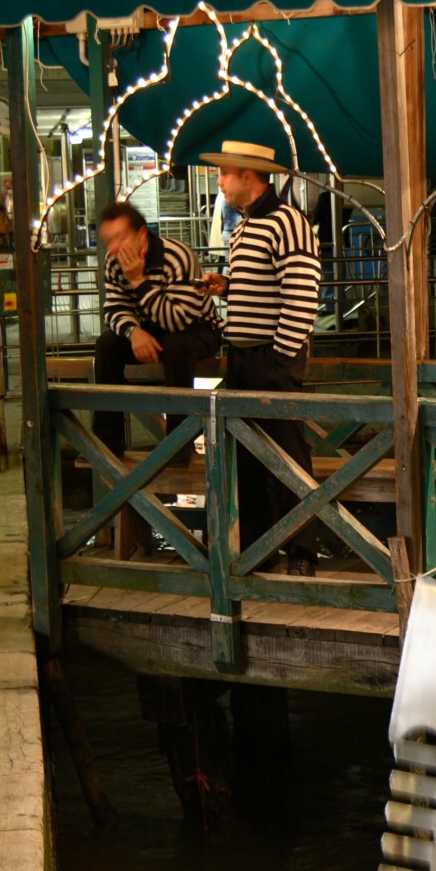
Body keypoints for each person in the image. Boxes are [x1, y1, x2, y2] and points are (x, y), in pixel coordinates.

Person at [198, 139, 321, 576]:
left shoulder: (287, 222)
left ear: (247, 176)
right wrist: (228, 286)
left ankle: (302, 551)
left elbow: (302, 294)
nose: (219, 181)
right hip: (244, 356)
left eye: (224, 174)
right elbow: (267, 284)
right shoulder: (243, 227)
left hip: (270, 357)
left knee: (287, 455)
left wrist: (281, 355)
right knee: (248, 460)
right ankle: (257, 549)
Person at [94, 201, 221, 461]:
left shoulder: (177, 257)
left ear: (142, 234)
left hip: (198, 327)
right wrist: (133, 332)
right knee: (106, 345)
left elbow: (177, 320)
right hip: (150, 329)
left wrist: (138, 282)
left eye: (120, 238)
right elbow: (114, 308)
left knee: (176, 344)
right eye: (109, 242)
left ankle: (178, 443)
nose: (114, 248)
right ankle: (107, 443)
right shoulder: (113, 261)